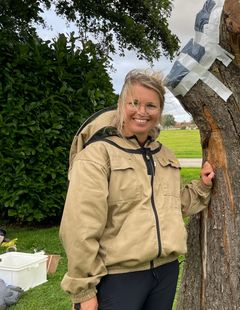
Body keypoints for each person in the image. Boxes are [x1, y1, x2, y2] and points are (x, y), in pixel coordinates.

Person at [59, 69, 215, 310]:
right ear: (121, 105)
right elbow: (80, 226)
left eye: (151, 105)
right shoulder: (97, 155)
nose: (142, 112)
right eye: (134, 103)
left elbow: (173, 206)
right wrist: (84, 290)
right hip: (118, 278)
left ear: (160, 111)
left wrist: (202, 186)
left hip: (165, 272)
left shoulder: (164, 155)